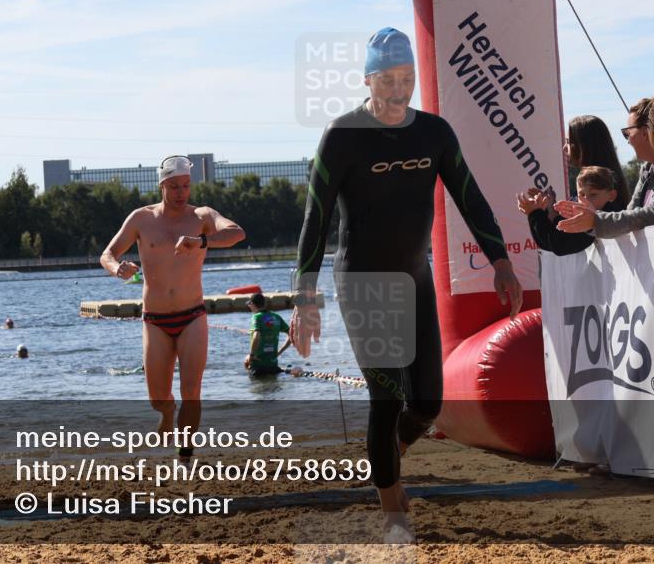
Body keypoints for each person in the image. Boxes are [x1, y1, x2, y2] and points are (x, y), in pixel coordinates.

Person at [289, 27, 523, 543]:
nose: (399, 90)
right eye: (388, 79)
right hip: (362, 282)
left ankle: (383, 460)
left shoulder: (434, 133)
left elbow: (470, 196)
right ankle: (394, 510)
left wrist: (501, 260)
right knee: (386, 398)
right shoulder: (343, 135)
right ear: (368, 80)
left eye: (407, 79)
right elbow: (315, 220)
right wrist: (304, 299)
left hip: (415, 279)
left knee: (427, 405)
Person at [100, 155, 245, 458]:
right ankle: (166, 413)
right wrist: (117, 269)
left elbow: (236, 234)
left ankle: (186, 453)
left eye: (186, 186)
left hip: (192, 315)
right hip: (154, 320)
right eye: (175, 187)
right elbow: (108, 253)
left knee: (191, 392)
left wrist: (201, 241)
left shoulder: (202, 216)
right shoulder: (141, 218)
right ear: (162, 186)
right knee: (158, 396)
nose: (182, 193)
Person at [556, 94, 654, 237]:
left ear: (646, 131)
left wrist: (596, 220)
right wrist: (593, 220)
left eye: (628, 133)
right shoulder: (649, 167)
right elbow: (632, 212)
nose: (628, 141)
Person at [517, 115, 629, 255]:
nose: (565, 148)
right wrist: (546, 211)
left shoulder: (603, 198)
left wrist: (535, 213)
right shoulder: (600, 190)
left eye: (569, 142)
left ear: (584, 146)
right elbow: (552, 242)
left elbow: (559, 244)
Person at [521, 166, 624, 255]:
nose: (586, 199)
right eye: (581, 194)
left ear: (611, 195)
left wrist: (535, 214)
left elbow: (559, 246)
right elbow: (549, 243)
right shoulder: (578, 214)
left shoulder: (610, 218)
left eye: (593, 195)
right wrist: (544, 210)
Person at [244, 292, 292, 377]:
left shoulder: (256, 317)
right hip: (273, 366)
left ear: (253, 304)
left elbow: (256, 335)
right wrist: (279, 352)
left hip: (258, 366)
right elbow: (292, 334)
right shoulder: (276, 316)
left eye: (249, 304)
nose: (249, 306)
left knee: (256, 387)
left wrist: (251, 355)